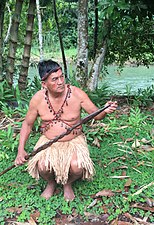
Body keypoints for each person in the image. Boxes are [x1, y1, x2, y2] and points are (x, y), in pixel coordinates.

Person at [14, 59, 118, 201]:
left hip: (74, 140)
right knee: (43, 166)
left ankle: (68, 183)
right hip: (49, 141)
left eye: (62, 77)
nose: (60, 82)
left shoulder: (77, 94)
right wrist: (21, 150)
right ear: (44, 84)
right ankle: (51, 183)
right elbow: (27, 124)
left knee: (77, 166)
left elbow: (97, 115)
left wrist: (105, 109)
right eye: (55, 79)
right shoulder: (38, 99)